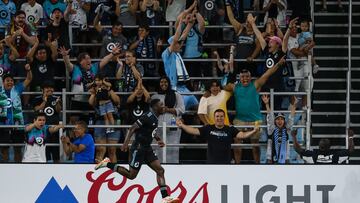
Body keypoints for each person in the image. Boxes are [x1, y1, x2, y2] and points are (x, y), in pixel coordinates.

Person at [95, 99, 180, 203]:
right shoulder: (147, 116)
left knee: (160, 170)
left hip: (147, 148)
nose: (163, 106)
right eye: (161, 105)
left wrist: (158, 139)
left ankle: (165, 197)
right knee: (131, 175)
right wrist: (125, 143)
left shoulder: (154, 117)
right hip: (138, 148)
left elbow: (150, 130)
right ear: (154, 107)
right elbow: (132, 128)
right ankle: (107, 164)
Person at [224, 51, 286, 164]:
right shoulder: (234, 87)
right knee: (237, 143)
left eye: (247, 77)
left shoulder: (256, 84)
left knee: (255, 146)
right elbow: (222, 86)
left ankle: (257, 166)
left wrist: (278, 64)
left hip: (255, 120)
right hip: (240, 120)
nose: (245, 79)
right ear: (239, 78)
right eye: (243, 77)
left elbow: (268, 73)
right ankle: (237, 165)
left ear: (250, 77)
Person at [177, 109, 260, 164]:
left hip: (226, 164)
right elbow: (193, 131)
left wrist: (254, 131)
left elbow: (242, 135)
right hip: (211, 164)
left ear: (224, 118)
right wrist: (182, 125)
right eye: (217, 116)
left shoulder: (230, 129)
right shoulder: (208, 128)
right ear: (214, 118)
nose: (219, 118)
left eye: (221, 116)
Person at [162, 13, 198, 110]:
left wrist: (190, 24)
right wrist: (181, 22)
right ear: (172, 44)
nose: (180, 45)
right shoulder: (166, 54)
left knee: (197, 106)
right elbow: (177, 37)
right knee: (179, 112)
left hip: (184, 87)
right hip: (175, 88)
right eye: (177, 44)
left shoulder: (176, 52)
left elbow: (184, 35)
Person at [0, 64, 32, 162]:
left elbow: (29, 79)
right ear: (3, 82)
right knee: (3, 149)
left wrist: (28, 70)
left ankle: (17, 169)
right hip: (2, 124)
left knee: (18, 149)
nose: (10, 82)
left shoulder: (17, 89)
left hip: (17, 124)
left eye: (11, 81)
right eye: (7, 81)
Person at [151, 76, 185, 163]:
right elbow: (151, 111)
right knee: (157, 147)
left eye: (166, 82)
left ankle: (172, 167)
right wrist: (159, 110)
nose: (163, 84)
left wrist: (168, 110)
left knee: (172, 147)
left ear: (169, 83)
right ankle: (158, 166)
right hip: (158, 126)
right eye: (161, 82)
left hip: (173, 126)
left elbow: (182, 109)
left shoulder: (176, 95)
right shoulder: (154, 96)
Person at [89, 80, 121, 163]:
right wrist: (93, 93)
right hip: (100, 122)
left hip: (113, 121)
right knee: (101, 149)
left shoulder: (110, 91)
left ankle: (115, 172)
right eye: (99, 85)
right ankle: (97, 172)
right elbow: (91, 103)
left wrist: (109, 90)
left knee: (112, 150)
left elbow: (117, 101)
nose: (101, 86)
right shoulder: (96, 93)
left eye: (103, 85)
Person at [32, 81, 62, 162]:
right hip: (42, 129)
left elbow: (58, 110)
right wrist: (44, 101)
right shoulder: (37, 99)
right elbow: (36, 109)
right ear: (42, 89)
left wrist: (58, 103)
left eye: (51, 88)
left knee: (56, 153)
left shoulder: (56, 98)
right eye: (47, 87)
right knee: (44, 152)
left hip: (54, 129)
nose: (50, 89)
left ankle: (57, 169)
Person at [262, 94, 296, 164]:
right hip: (271, 159)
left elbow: (291, 118)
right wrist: (267, 104)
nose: (280, 121)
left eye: (281, 119)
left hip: (285, 159)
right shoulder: (271, 129)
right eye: (277, 119)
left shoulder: (287, 129)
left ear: (284, 121)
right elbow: (269, 117)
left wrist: (294, 105)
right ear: (275, 121)